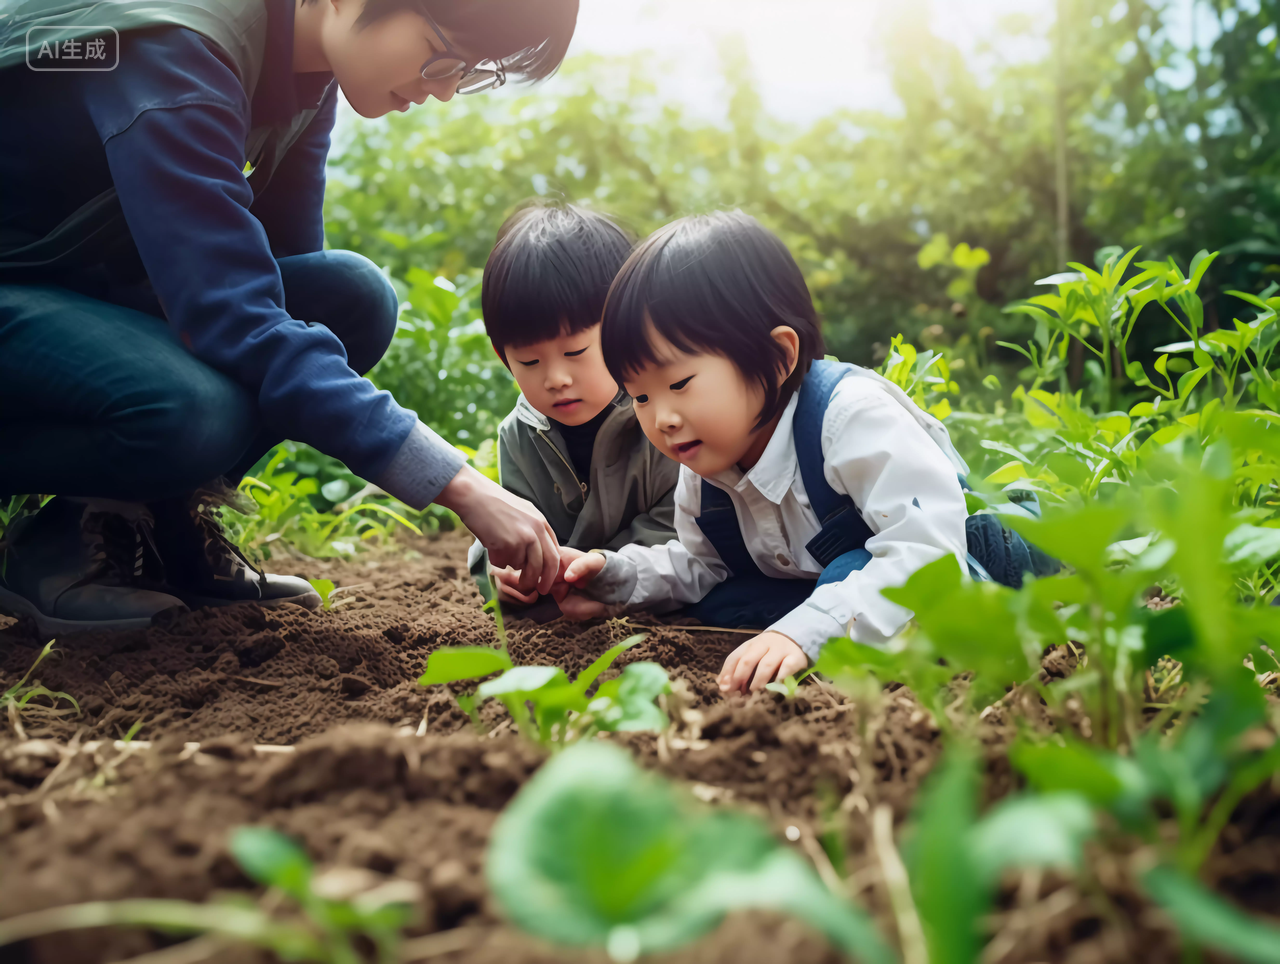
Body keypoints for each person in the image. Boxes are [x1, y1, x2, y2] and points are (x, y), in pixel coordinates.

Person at [0, 0, 577, 635]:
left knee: (350, 297)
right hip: (21, 289)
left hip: (70, 293)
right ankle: (60, 543)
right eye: (443, 55)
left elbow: (281, 281)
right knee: (190, 410)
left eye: (468, 73)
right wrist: (460, 484)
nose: (442, 90)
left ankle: (160, 528)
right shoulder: (175, 43)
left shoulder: (307, 76)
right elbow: (233, 316)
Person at [553, 210, 979, 694]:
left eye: (679, 383)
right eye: (641, 397)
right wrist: (621, 580)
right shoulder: (705, 460)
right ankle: (819, 624)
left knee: (851, 572)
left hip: (958, 564)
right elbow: (703, 563)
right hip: (821, 587)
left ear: (778, 358)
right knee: (720, 604)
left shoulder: (849, 419)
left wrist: (807, 629)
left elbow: (929, 551)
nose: (662, 418)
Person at [468, 202, 679, 613]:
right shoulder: (520, 434)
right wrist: (496, 571)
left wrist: (602, 567)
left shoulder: (660, 417)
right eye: (529, 361)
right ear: (502, 356)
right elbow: (506, 517)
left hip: (654, 587)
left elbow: (681, 525)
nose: (556, 378)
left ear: (626, 331)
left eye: (577, 351)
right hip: (564, 603)